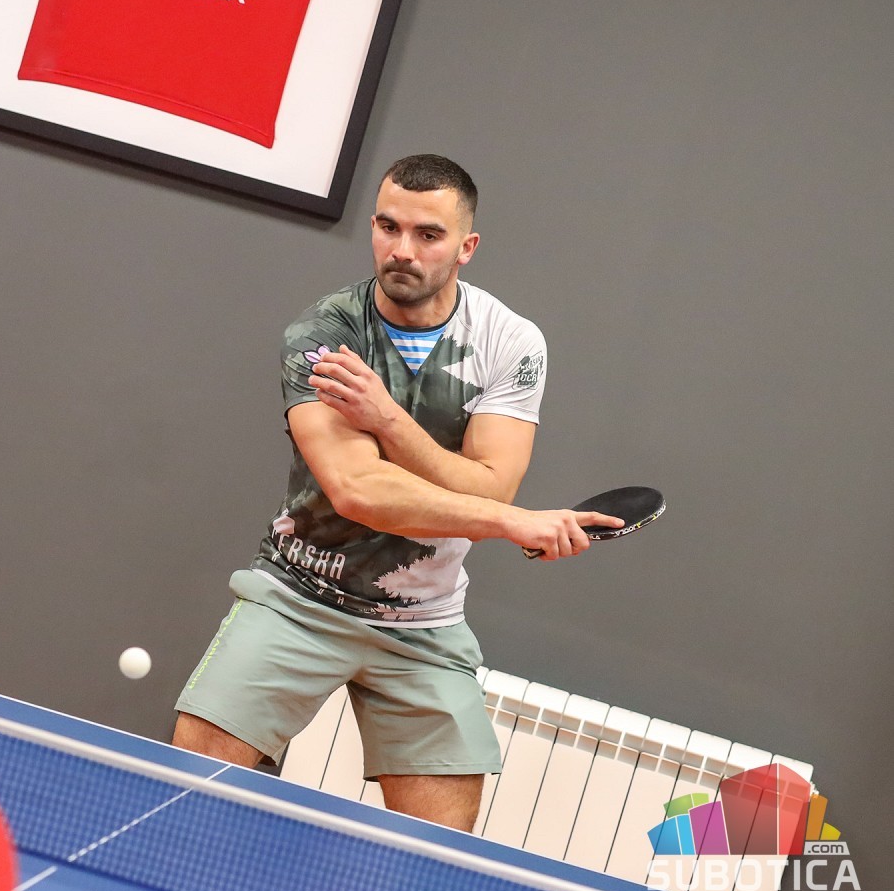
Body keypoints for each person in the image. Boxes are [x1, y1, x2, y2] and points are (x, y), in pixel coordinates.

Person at [172, 155, 621, 832]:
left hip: (423, 622)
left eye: (428, 234)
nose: (402, 249)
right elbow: (358, 490)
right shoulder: (326, 336)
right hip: (301, 597)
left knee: (438, 855)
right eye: (388, 227)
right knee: (181, 797)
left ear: (467, 247)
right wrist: (508, 523)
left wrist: (387, 420)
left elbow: (493, 484)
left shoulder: (509, 342)